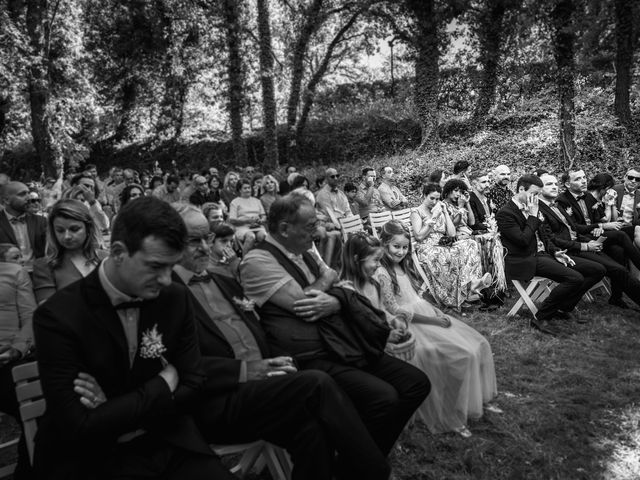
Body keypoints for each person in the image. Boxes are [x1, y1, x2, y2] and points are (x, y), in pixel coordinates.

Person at [172, 204, 390, 480]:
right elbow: (178, 367)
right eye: (194, 241)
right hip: (217, 400)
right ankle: (376, 472)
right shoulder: (167, 294)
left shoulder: (222, 281)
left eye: (209, 238)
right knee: (316, 383)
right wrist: (246, 371)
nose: (205, 247)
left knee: (312, 429)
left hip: (263, 387)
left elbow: (260, 328)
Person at [32, 196, 233, 480]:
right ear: (117, 252)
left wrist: (112, 406)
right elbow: (78, 424)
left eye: (171, 266)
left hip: (168, 440)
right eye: (155, 266)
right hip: (91, 457)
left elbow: (194, 382)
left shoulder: (174, 297)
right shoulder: (58, 316)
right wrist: (165, 381)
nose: (166, 279)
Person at [239, 194, 430, 459]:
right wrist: (328, 280)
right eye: (309, 227)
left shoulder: (302, 251)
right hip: (308, 356)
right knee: (383, 397)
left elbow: (340, 291)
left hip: (340, 342)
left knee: (416, 384)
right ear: (284, 229)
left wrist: (386, 323)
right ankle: (363, 465)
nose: (317, 232)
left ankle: (365, 460)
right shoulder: (257, 261)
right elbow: (304, 306)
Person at [372, 222, 497, 435]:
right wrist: (433, 321)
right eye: (396, 247)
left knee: (479, 344)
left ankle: (472, 401)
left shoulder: (403, 265)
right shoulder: (382, 272)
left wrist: (437, 312)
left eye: (404, 247)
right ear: (384, 245)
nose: (401, 252)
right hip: (410, 324)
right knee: (461, 355)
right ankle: (450, 414)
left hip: (425, 315)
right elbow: (395, 309)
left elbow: (415, 297)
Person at [496, 174, 603, 333]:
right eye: (533, 194)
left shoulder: (532, 207)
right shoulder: (506, 213)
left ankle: (562, 308)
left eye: (537, 195)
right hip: (524, 259)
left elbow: (545, 237)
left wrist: (556, 252)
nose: (535, 198)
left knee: (596, 270)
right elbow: (523, 241)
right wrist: (533, 217)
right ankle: (541, 317)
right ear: (520, 189)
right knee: (574, 278)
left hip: (544, 254)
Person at [538, 173, 639, 310]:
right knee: (615, 266)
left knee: (618, 252)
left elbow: (575, 228)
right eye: (549, 184)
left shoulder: (559, 204)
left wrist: (593, 238)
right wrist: (587, 243)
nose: (555, 187)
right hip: (570, 250)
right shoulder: (548, 206)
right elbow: (554, 239)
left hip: (583, 241)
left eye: (556, 184)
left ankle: (615, 297)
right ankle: (562, 306)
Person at [411, 184, 490, 309]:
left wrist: (445, 213)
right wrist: (435, 216)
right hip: (427, 248)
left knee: (471, 244)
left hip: (442, 243)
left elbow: (452, 233)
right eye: (432, 198)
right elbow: (419, 236)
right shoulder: (417, 212)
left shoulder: (439, 209)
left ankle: (471, 285)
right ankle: (460, 295)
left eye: (437, 199)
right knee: (453, 254)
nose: (435, 202)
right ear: (424, 196)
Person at [557, 168, 640, 273]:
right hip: (583, 237)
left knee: (619, 249)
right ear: (568, 184)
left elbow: (601, 219)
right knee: (621, 235)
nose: (583, 181)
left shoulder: (587, 196)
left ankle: (617, 289)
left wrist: (599, 226)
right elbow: (574, 227)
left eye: (584, 177)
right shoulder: (562, 201)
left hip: (597, 233)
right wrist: (601, 225)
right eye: (578, 179)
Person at [0, 249, 36, 478]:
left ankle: (29, 471)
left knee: (38, 408)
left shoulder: (14, 272)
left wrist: (16, 350)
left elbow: (31, 316)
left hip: (9, 359)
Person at [32, 199, 108, 305]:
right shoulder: (45, 266)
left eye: (74, 229)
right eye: (60, 230)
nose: (67, 236)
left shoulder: (108, 259)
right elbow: (48, 310)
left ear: (88, 228)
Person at [0, 181, 48, 271]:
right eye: (22, 194)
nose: (29, 197)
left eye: (28, 193)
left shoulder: (41, 221)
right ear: (6, 200)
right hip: (8, 276)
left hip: (38, 273)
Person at [228, 178, 267, 252]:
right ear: (240, 190)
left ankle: (263, 259)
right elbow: (232, 220)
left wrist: (261, 220)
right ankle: (245, 260)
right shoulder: (235, 202)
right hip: (242, 227)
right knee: (251, 236)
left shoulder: (257, 201)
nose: (248, 190)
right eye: (245, 188)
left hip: (257, 226)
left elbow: (263, 216)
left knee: (263, 236)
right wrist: (247, 220)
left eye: (249, 188)